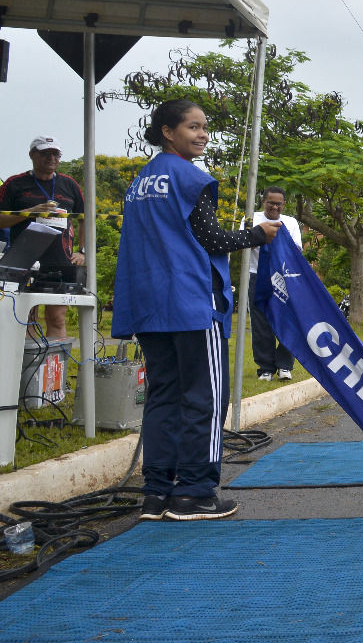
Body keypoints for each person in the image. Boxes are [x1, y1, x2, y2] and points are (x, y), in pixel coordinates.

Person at [112, 100, 282, 522]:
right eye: (193, 127)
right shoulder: (190, 176)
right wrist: (257, 234)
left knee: (163, 395)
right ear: (168, 132)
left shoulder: (139, 182)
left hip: (149, 305)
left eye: (205, 127)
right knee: (204, 398)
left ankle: (156, 492)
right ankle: (195, 492)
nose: (203, 134)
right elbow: (212, 239)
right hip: (190, 302)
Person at [0, 137, 86, 339]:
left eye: (56, 154)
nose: (51, 158)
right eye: (45, 153)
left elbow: (85, 219)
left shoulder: (69, 184)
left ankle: (54, 368)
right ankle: (28, 368)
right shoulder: (15, 183)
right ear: (32, 155)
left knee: (57, 318)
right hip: (24, 259)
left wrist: (83, 251)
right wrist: (30, 212)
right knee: (26, 318)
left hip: (60, 260)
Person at [249, 186, 303, 381]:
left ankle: (285, 366)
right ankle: (265, 368)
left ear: (284, 204)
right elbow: (244, 243)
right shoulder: (251, 218)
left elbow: (296, 251)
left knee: (288, 320)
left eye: (278, 204)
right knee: (260, 323)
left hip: (284, 278)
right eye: (271, 202)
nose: (274, 207)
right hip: (256, 276)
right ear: (263, 201)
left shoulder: (290, 222)